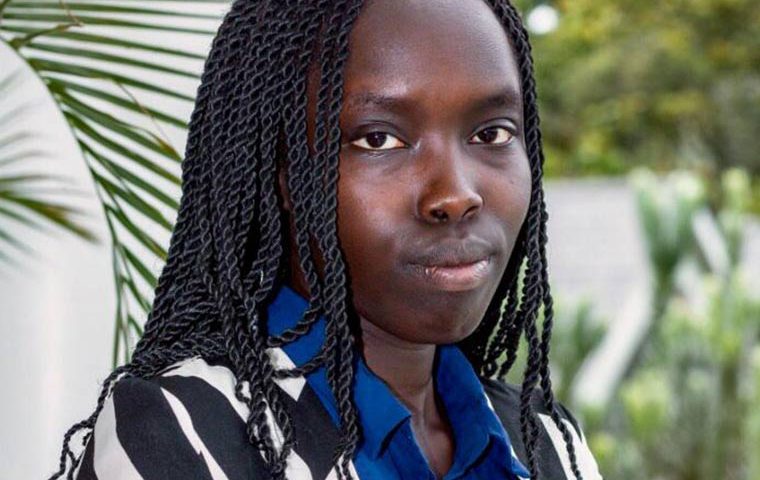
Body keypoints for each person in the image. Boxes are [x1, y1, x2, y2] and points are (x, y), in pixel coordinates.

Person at [49, 0, 604, 479]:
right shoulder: (182, 432)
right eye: (379, 139)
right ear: (281, 170)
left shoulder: (547, 443)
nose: (456, 195)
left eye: (491, 133)